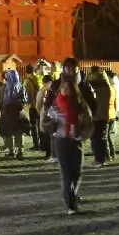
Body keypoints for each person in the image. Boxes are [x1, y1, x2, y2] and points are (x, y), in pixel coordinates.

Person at [43, 61, 94, 214]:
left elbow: (89, 123)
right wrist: (51, 128)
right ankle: (70, 205)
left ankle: (72, 195)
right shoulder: (54, 106)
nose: (64, 89)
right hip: (61, 141)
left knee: (77, 173)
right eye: (62, 88)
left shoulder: (81, 105)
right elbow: (45, 122)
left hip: (76, 141)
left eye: (67, 88)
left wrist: (82, 136)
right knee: (66, 173)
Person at [0, 67, 27, 159]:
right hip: (19, 111)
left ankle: (11, 151)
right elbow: (25, 99)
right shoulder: (21, 86)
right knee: (19, 132)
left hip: (8, 112)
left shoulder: (7, 87)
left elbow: (4, 100)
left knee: (9, 132)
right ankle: (20, 151)